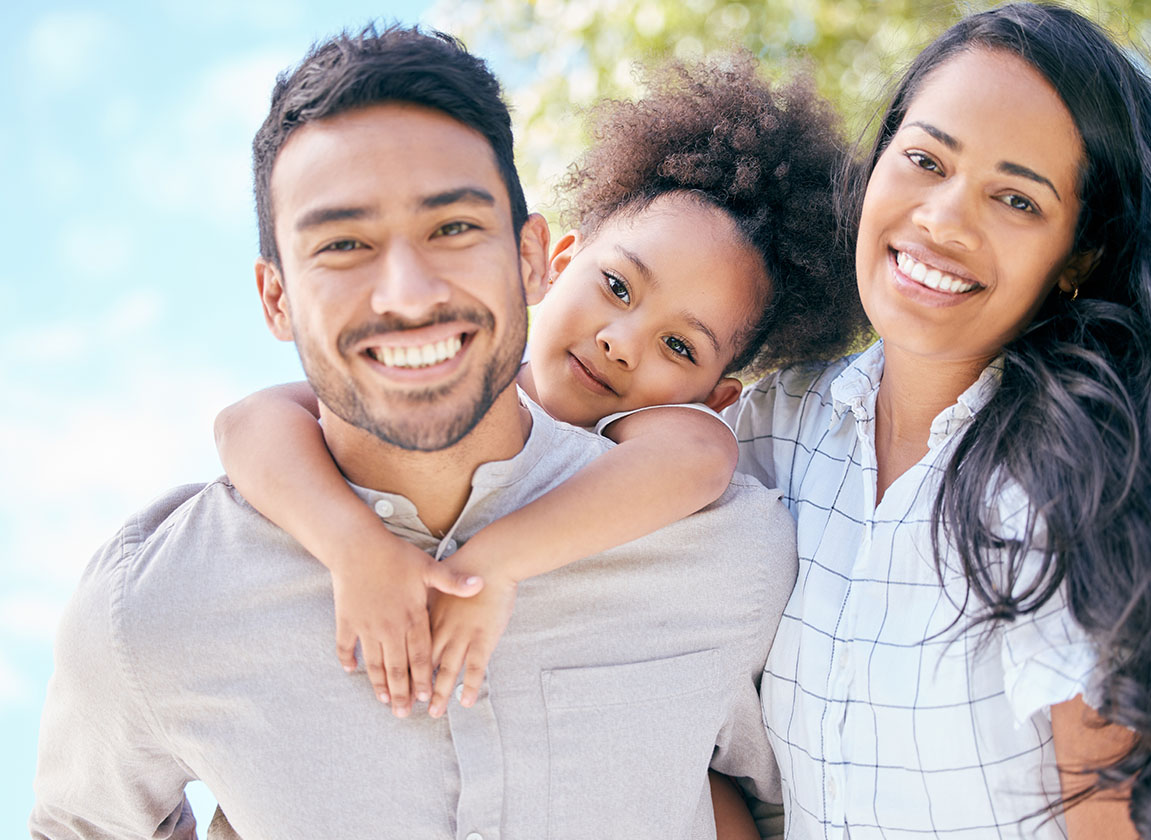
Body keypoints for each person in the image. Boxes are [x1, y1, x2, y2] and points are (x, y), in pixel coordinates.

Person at [30, 26, 803, 839]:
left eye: (453, 228)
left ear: (530, 255)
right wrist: (351, 544)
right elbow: (249, 423)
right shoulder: (161, 602)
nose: (405, 293)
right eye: (343, 244)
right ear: (275, 299)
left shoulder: (724, 550)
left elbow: (804, 804)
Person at [724, 4, 1151, 839]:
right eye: (922, 159)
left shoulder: (1093, 478)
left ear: (1080, 257)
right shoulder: (772, 426)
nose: (943, 219)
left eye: (1017, 200)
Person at [212, 54, 860, 730]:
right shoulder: (445, 388)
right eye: (617, 287)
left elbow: (700, 458)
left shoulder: (644, 447)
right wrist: (354, 547)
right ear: (551, 261)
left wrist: (495, 563)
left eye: (679, 347)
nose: (621, 341)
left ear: (716, 395)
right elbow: (247, 423)